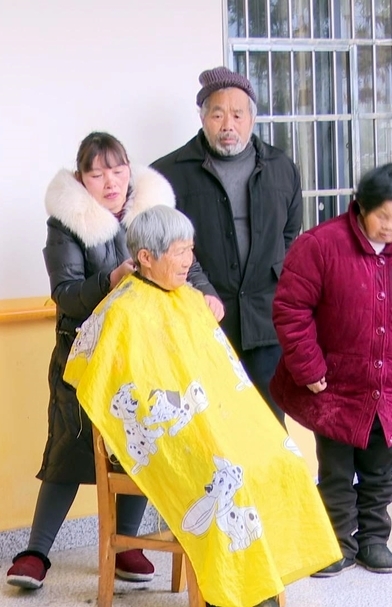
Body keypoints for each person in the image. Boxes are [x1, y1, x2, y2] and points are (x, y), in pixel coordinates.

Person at [63, 205, 340, 607]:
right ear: (146, 257)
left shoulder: (192, 300)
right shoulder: (121, 311)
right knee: (228, 477)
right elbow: (107, 383)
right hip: (163, 435)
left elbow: (221, 375)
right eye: (179, 252)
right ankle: (227, 592)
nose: (188, 261)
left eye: (190, 250)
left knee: (281, 458)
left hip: (209, 421)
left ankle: (260, 579)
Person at [6, 132, 221, 590]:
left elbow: (189, 263)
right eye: (97, 173)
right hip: (85, 356)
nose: (111, 182)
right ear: (81, 179)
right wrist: (111, 278)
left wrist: (208, 294)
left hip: (149, 358)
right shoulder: (67, 224)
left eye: (118, 170)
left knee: (143, 443)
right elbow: (65, 294)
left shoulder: (153, 209)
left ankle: (127, 545)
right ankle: (36, 552)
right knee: (68, 448)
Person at [270, 163, 392, 578]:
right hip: (334, 386)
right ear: (361, 205)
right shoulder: (320, 245)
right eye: (383, 216)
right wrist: (308, 367)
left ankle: (374, 540)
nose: (391, 227)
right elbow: (291, 309)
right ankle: (336, 543)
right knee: (337, 471)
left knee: (381, 470)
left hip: (390, 386)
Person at [152, 66, 303, 424]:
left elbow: (289, 235)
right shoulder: (170, 173)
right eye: (218, 115)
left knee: (269, 424)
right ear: (203, 118)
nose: (228, 125)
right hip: (203, 320)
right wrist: (202, 288)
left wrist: (272, 280)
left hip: (265, 321)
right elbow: (168, 245)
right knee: (213, 426)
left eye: (237, 115)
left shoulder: (281, 167)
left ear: (252, 118)